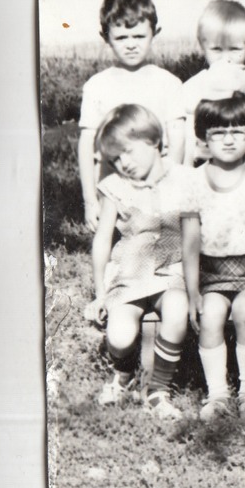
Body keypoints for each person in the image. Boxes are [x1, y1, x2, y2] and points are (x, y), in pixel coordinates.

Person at [85, 105, 193, 420]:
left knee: (176, 311)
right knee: (119, 336)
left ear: (154, 141)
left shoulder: (185, 179)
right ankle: (124, 372)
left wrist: (195, 285)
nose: (123, 164)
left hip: (173, 268)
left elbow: (194, 236)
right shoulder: (115, 187)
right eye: (115, 159)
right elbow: (103, 239)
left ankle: (158, 389)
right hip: (130, 272)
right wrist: (100, 292)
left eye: (128, 153)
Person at [179, 95, 245, 420]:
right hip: (211, 272)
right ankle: (218, 395)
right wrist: (193, 291)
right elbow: (191, 242)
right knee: (209, 317)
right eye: (217, 133)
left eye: (237, 132)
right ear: (204, 139)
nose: (227, 139)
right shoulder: (194, 181)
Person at [78, 0, 184, 230]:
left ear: (154, 33)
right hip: (113, 174)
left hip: (158, 174)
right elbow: (86, 143)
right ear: (106, 38)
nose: (131, 45)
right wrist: (88, 200)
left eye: (139, 36)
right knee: (115, 245)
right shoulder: (97, 86)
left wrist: (170, 183)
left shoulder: (168, 82)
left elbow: (177, 136)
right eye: (121, 38)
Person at [176, 0, 245, 166]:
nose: (226, 58)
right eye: (217, 49)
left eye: (235, 49)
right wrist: (187, 170)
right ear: (202, 45)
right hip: (207, 166)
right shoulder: (195, 86)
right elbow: (187, 137)